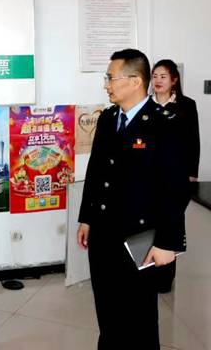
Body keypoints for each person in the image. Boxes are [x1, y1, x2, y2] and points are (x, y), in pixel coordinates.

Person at [77, 49, 191, 350]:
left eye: (111, 78)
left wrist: (167, 242)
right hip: (104, 233)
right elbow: (96, 171)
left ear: (135, 81)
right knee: (107, 309)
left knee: (139, 316)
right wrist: (87, 217)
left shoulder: (164, 124)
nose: (106, 85)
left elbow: (176, 188)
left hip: (141, 237)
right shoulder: (109, 118)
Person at [151, 58, 200, 293]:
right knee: (149, 226)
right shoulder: (145, 106)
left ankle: (165, 277)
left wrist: (192, 173)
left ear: (174, 80)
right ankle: (148, 272)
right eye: (154, 76)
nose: (158, 81)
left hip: (176, 177)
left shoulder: (186, 105)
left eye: (163, 76)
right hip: (150, 178)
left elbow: (193, 141)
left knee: (172, 226)